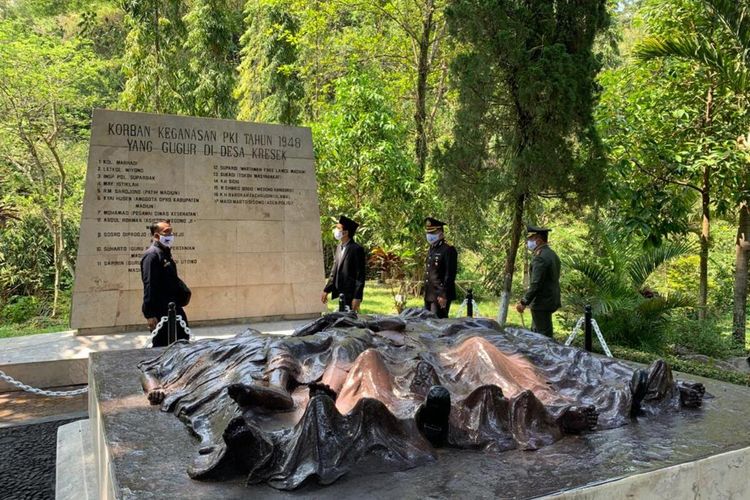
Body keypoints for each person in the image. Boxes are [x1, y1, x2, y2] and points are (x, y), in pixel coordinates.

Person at [140, 219, 191, 346]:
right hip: (161, 311)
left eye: (171, 232)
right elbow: (149, 285)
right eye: (167, 233)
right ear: (157, 236)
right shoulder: (151, 256)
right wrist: (150, 314)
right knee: (162, 346)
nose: (171, 236)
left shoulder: (165, 253)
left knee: (182, 340)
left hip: (173, 308)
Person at [515, 225, 561, 338]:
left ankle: (544, 355)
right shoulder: (552, 254)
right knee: (539, 331)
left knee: (542, 336)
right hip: (550, 299)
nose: (528, 241)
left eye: (531, 238)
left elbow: (536, 283)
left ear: (539, 240)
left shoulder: (540, 257)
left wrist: (524, 302)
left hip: (542, 302)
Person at [321, 215, 366, 312]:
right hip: (341, 293)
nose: (335, 230)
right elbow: (334, 270)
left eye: (338, 228)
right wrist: (326, 290)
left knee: (349, 322)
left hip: (351, 294)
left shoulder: (356, 249)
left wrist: (357, 297)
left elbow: (360, 276)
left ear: (345, 232)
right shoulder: (339, 247)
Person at [423, 217, 457, 319]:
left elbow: (450, 274)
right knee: (427, 325)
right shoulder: (432, 248)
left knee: (438, 326)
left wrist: (443, 295)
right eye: (429, 233)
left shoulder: (448, 249)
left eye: (433, 233)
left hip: (439, 295)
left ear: (441, 233)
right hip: (429, 294)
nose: (430, 235)